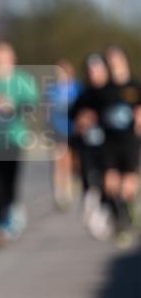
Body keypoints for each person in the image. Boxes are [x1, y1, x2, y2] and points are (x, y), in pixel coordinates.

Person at [71, 45, 141, 246]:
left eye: (117, 60)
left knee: (127, 187)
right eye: (110, 62)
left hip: (130, 142)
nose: (114, 65)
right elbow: (81, 112)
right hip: (108, 144)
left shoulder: (134, 87)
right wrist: (83, 119)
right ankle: (121, 223)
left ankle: (129, 212)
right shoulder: (101, 90)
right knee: (110, 184)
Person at [0, 41, 38, 246]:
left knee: (9, 182)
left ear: (12, 59)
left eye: (2, 58)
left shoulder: (23, 80)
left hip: (13, 138)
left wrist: (13, 105)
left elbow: (32, 106)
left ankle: (11, 215)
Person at [69, 53, 109, 235]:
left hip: (108, 147)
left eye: (97, 70)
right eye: (90, 70)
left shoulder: (112, 91)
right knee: (88, 179)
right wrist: (80, 120)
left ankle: (106, 212)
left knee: (106, 181)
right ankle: (91, 207)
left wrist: (97, 117)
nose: (94, 74)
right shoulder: (84, 94)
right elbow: (73, 116)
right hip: (87, 146)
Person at [45, 59, 81, 209]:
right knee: (58, 161)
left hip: (73, 130)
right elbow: (46, 110)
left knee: (70, 161)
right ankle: (59, 193)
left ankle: (69, 188)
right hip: (56, 130)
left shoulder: (77, 88)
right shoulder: (51, 89)